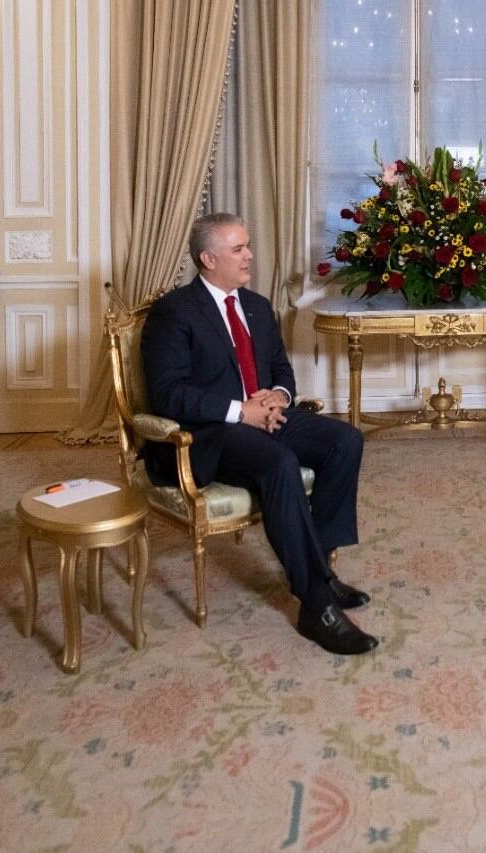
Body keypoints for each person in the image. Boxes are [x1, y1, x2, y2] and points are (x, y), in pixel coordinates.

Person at [141, 213, 378, 655]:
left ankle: (320, 570)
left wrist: (279, 397)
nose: (249, 255)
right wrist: (241, 412)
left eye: (247, 245)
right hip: (210, 433)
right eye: (238, 249)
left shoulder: (255, 305)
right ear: (209, 259)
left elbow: (281, 370)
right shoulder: (174, 312)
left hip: (265, 416)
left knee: (345, 441)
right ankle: (316, 605)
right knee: (279, 463)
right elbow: (169, 394)